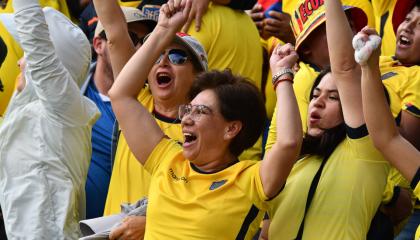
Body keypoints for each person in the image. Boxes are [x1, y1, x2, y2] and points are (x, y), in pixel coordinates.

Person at [108, 0, 302, 238]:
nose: (187, 119)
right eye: (188, 110)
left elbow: (288, 143)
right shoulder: (168, 159)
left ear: (231, 128)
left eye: (200, 111)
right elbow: (120, 95)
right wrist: (163, 30)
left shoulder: (249, 180)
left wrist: (282, 76)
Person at [262, 0, 391, 238]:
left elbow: (345, 68)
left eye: (333, 97)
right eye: (314, 95)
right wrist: (282, 77)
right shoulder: (295, 159)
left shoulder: (367, 150)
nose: (317, 102)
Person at [0, 0, 99, 238]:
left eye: (27, 55)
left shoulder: (64, 110)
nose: (19, 62)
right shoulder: (30, 106)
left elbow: (36, 41)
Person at [81, 6, 156, 219]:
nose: (138, 48)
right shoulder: (74, 89)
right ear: (98, 44)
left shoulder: (151, 102)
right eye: (130, 37)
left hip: (126, 224)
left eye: (146, 40)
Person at [356, 26, 420, 240]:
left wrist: (359, 110)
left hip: (382, 200)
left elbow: (401, 140)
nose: (408, 27)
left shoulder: (418, 75)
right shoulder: (380, 60)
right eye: (409, 19)